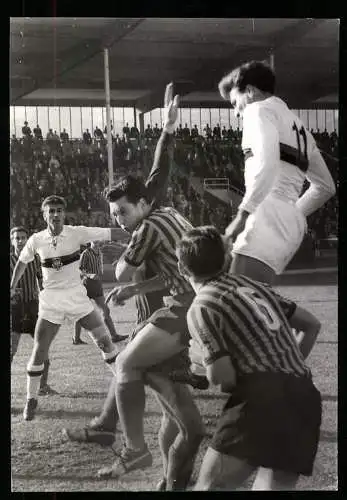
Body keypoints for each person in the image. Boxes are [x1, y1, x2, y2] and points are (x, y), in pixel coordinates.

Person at [92, 83, 206, 488]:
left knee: (125, 365)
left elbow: (123, 270)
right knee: (172, 411)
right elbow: (160, 169)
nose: (120, 218)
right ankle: (169, 476)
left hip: (181, 311)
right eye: (115, 214)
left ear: (140, 204)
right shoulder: (165, 208)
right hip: (192, 303)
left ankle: (133, 449)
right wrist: (168, 129)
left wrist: (123, 263)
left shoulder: (145, 227)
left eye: (122, 211)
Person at [176, 226, 322, 491]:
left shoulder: (202, 305)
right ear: (225, 259)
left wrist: (202, 363)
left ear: (181, 268)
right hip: (304, 396)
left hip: (261, 400)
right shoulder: (254, 285)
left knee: (211, 487)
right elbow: (311, 324)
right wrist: (286, 367)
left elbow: (224, 378)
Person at [10, 195, 129, 421]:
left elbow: (109, 232)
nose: (55, 214)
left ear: (64, 214)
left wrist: (138, 229)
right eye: (51, 211)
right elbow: (22, 262)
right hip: (50, 300)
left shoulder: (77, 232)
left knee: (104, 341)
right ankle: (31, 399)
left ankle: (125, 388)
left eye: (58, 210)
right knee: (39, 350)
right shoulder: (36, 239)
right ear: (44, 215)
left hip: (77, 296)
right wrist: (12, 286)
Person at [218, 60, 336, 285]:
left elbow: (268, 163)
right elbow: (326, 187)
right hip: (290, 223)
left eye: (235, 103)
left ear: (250, 92)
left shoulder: (258, 110)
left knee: (238, 300)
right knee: (252, 300)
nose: (235, 113)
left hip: (266, 213)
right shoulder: (299, 127)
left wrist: (242, 216)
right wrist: (292, 211)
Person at [10, 226, 56, 395]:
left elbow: (42, 279)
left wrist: (43, 292)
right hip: (15, 311)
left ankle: (43, 387)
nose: (20, 241)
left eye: (23, 237)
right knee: (11, 351)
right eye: (17, 238)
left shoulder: (35, 260)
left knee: (42, 349)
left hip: (33, 308)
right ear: (12, 241)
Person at [73, 241, 125, 345]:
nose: (97, 242)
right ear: (90, 241)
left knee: (105, 309)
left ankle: (114, 336)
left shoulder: (100, 252)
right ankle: (76, 338)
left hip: (97, 285)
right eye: (94, 240)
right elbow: (79, 270)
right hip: (86, 285)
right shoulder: (86, 253)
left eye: (98, 240)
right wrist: (90, 275)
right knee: (81, 313)